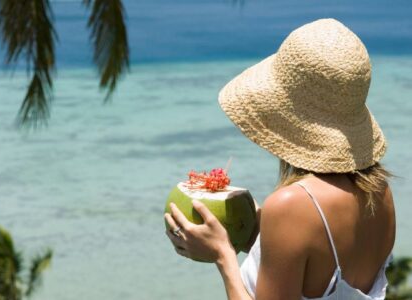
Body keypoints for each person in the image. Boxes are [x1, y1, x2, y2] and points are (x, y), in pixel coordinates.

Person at [164, 18, 395, 300]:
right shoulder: (380, 191)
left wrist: (222, 255)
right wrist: (249, 229)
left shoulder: (291, 206)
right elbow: (316, 263)